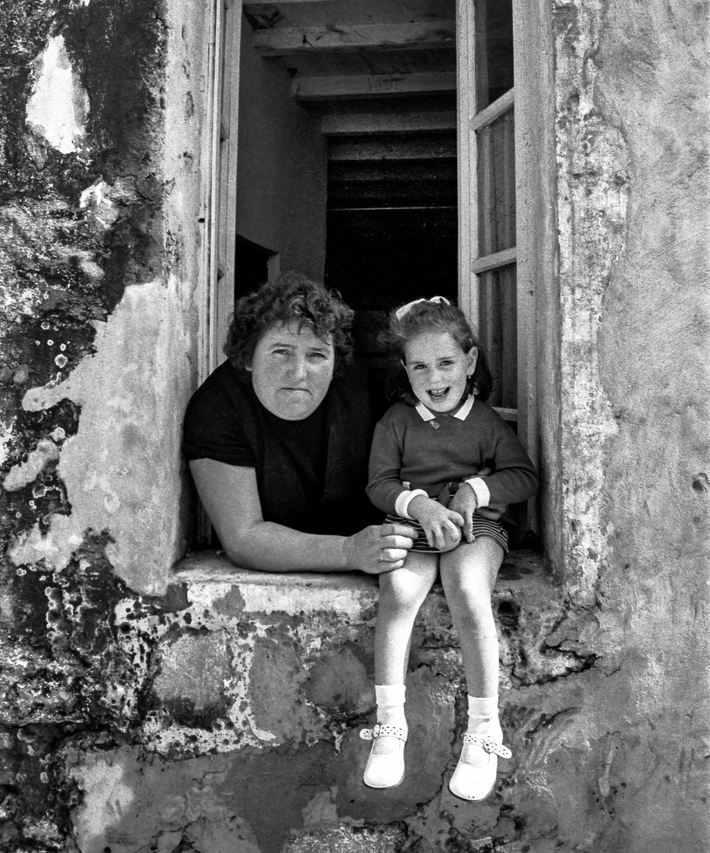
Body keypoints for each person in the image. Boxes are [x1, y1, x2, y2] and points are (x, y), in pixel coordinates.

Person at [360, 296, 537, 800]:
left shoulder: (485, 422)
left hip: (476, 528)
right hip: (415, 525)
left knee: (466, 590)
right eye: (419, 366)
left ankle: (484, 729)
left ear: (470, 362)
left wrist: (474, 492)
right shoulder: (395, 421)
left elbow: (523, 476)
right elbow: (378, 484)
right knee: (398, 590)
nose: (434, 377)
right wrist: (420, 508)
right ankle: (390, 724)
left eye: (445, 363)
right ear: (405, 370)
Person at [183, 272, 417, 575]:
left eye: (317, 355)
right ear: (248, 357)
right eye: (282, 352)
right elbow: (244, 538)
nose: (298, 373)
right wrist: (348, 552)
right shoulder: (217, 407)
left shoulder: (369, 387)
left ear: (335, 364)